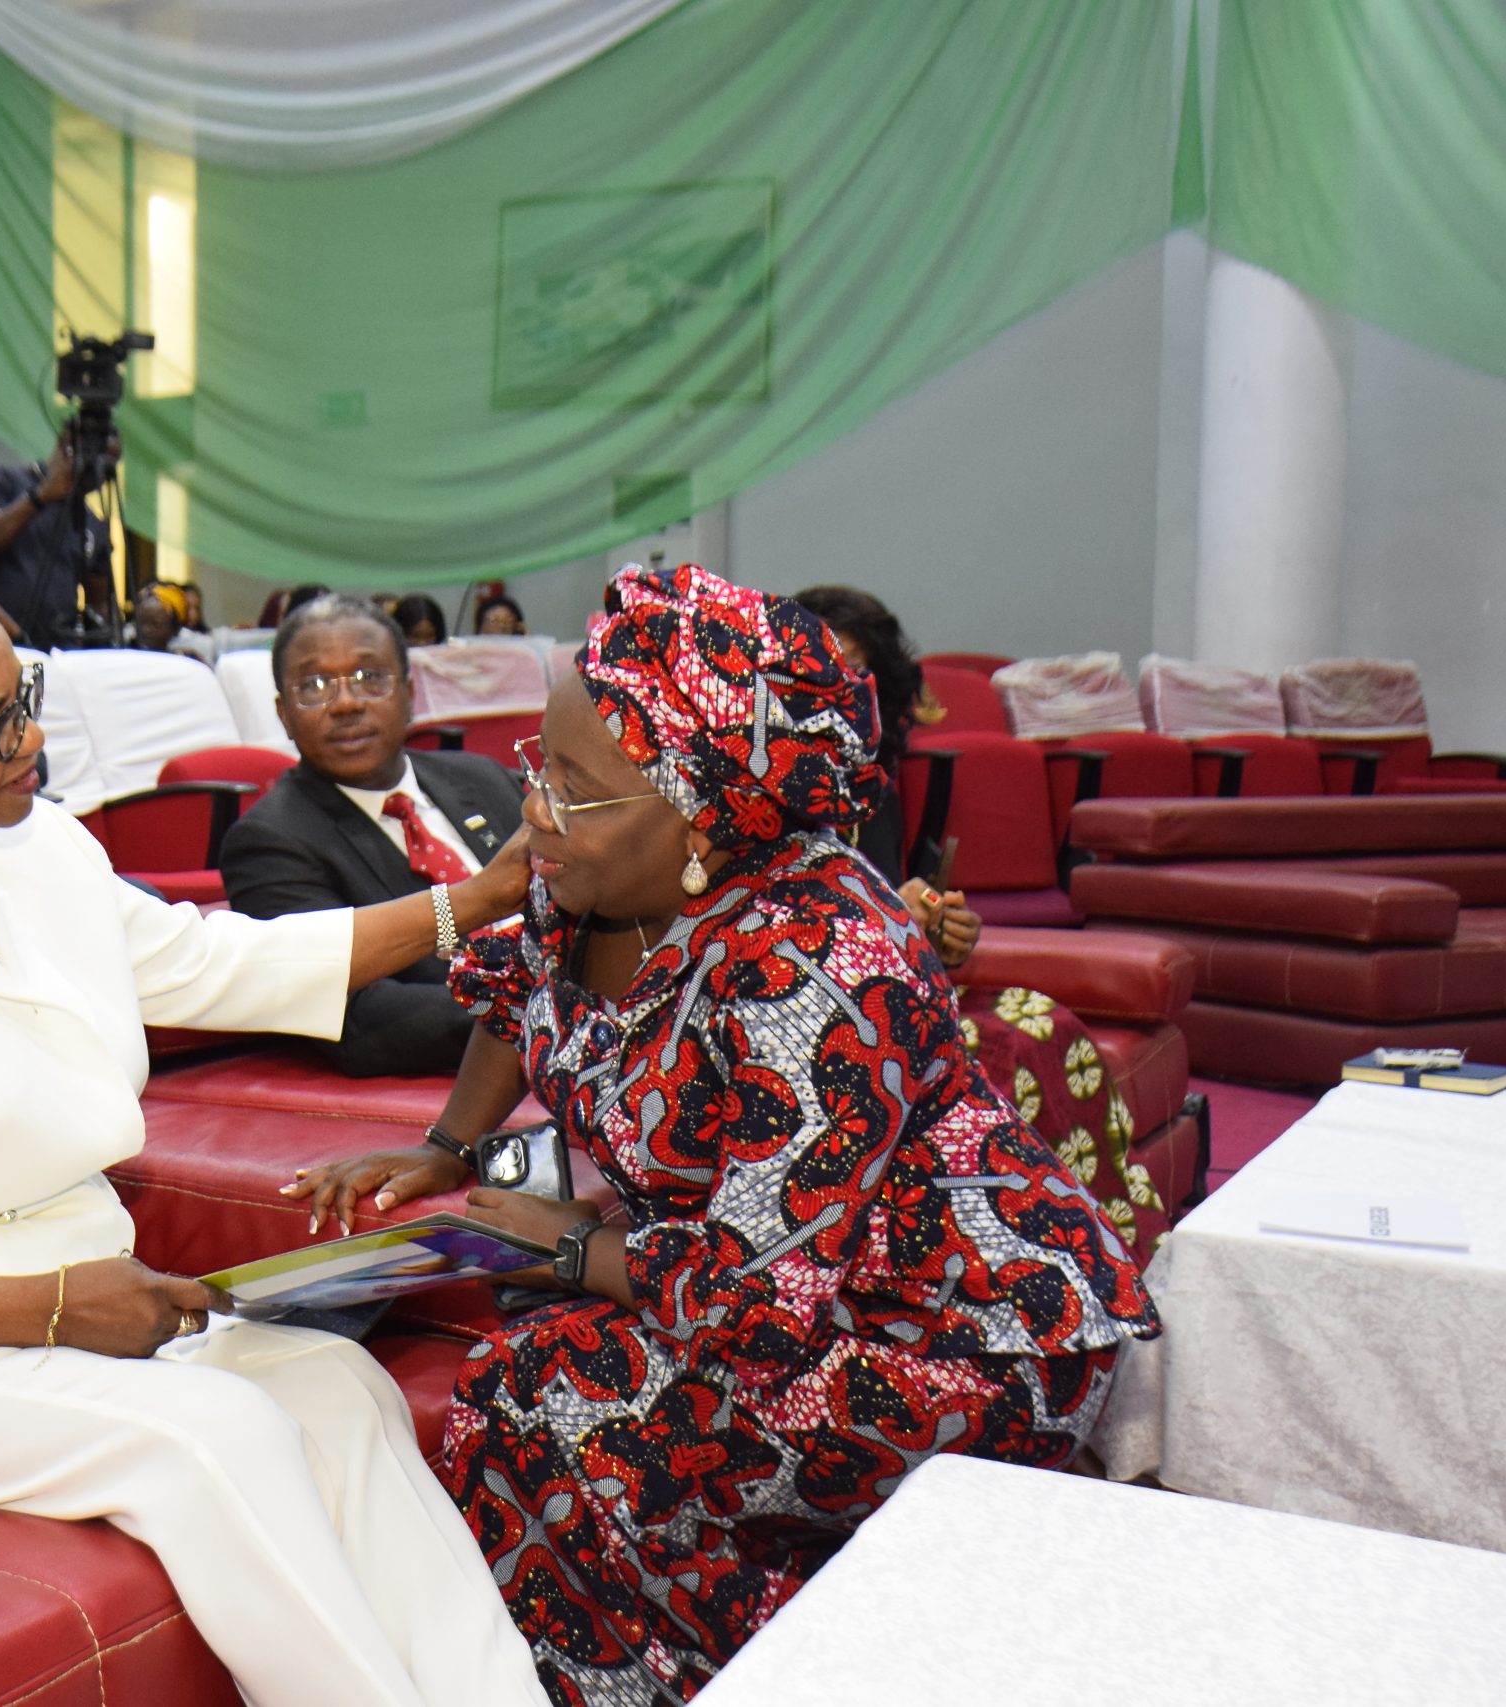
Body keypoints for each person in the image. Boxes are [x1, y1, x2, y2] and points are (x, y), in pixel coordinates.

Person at [0, 563, 549, 1707]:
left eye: (24, 697)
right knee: (215, 1434)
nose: (31, 738)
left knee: (337, 1386)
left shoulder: (34, 851)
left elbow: (225, 961)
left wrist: (473, 903)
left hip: (67, 1302)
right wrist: (55, 1307)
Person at [295, 565, 1159, 1703]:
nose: (534, 813)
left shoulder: (818, 963)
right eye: (537, 767)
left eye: (573, 788)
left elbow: (755, 1300)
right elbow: (518, 1000)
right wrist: (446, 1150)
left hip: (957, 1329)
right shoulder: (586, 873)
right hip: (774, 1276)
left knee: (546, 1398)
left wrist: (567, 1248)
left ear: (701, 806)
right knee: (532, 1384)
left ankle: (806, 1671)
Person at [794, 583, 1170, 1251]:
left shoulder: (867, 784)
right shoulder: (766, 784)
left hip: (882, 996)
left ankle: (1115, 1253)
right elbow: (784, 926)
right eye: (825, 667)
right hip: (803, 1016)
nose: (843, 686)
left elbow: (883, 908)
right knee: (1000, 1056)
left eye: (858, 671)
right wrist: (890, 919)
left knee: (1046, 1021)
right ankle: (1045, 1260)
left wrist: (936, 932)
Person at [221, 594, 526, 1075]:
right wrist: (545, 1009)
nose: (346, 703)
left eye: (370, 678)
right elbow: (358, 1019)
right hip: (486, 1066)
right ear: (283, 715)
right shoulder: (268, 842)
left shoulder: (484, 779)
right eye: (315, 685)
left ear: (409, 695)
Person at [0, 425, 116, 648]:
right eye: (100, 461)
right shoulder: (6, 482)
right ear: (67, 450)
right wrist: (41, 495)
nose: (103, 473)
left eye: (111, 465)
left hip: (58, 650)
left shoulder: (92, 521)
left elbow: (99, 602)